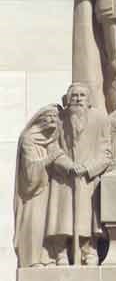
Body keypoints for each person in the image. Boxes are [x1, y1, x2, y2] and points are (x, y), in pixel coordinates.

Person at [45, 83, 111, 266]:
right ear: (68, 99)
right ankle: (61, 252)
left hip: (88, 178)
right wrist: (68, 166)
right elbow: (52, 147)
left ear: (89, 101)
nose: (78, 98)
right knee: (62, 216)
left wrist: (88, 168)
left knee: (88, 217)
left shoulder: (100, 119)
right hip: (64, 178)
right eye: (74, 95)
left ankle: (89, 249)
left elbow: (106, 152)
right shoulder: (59, 119)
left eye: (82, 95)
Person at [13, 105, 64, 267]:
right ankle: (31, 258)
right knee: (35, 220)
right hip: (34, 190)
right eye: (48, 117)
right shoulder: (29, 138)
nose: (51, 120)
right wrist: (50, 159)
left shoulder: (54, 137)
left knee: (49, 220)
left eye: (55, 117)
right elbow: (30, 170)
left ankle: (46, 255)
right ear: (40, 119)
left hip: (50, 187)